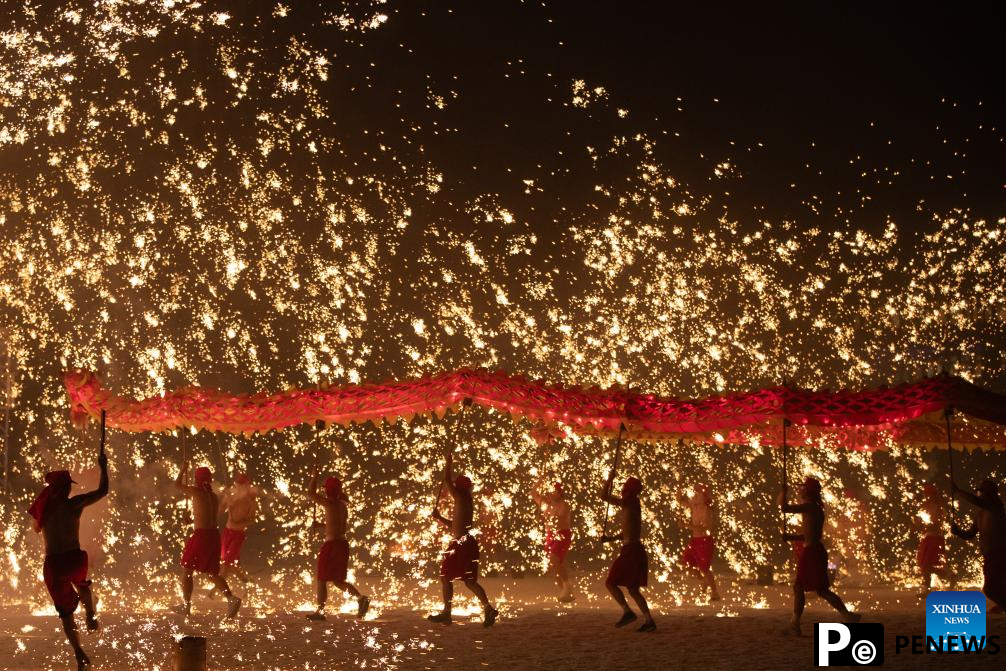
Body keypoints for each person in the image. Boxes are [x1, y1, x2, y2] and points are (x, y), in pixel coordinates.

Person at [28, 455, 108, 671]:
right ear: (65, 488)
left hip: (54, 564)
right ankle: (90, 613)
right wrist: (104, 467)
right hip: (73, 559)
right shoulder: (75, 504)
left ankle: (78, 651)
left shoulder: (43, 510)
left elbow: (36, 527)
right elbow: (102, 492)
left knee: (65, 613)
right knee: (82, 585)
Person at [779, 478, 860, 635]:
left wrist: (783, 491)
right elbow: (809, 534)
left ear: (808, 492)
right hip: (814, 551)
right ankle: (847, 615)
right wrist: (791, 537)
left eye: (803, 488)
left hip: (813, 553)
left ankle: (795, 623)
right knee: (817, 589)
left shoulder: (810, 507)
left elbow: (784, 508)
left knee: (804, 587)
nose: (800, 490)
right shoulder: (813, 508)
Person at [428, 446, 498, 626]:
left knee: (445, 576)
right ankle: (488, 608)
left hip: (461, 544)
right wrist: (440, 518)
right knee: (469, 581)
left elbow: (446, 480)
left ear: (459, 487)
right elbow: (455, 525)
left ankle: (446, 612)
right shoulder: (465, 500)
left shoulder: (460, 496)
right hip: (468, 543)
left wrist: (449, 462)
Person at [175, 464, 241, 618]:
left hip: (201, 536)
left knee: (187, 569)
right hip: (213, 536)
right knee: (211, 573)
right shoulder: (213, 497)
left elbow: (177, 485)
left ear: (197, 479)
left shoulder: (196, 492)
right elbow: (206, 517)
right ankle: (231, 598)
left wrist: (182, 470)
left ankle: (186, 605)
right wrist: (189, 520)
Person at [305, 474, 370, 620]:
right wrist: (321, 525)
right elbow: (336, 526)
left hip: (332, 545)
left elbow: (310, 494)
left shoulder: (329, 503)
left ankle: (320, 612)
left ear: (328, 490)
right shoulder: (342, 506)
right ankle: (360, 598)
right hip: (342, 545)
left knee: (321, 579)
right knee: (338, 581)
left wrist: (313, 478)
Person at [601, 472, 656, 632]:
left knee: (610, 583)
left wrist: (610, 478)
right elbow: (628, 532)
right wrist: (610, 538)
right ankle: (649, 620)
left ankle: (627, 611)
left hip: (631, 551)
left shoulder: (630, 503)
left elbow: (603, 496)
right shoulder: (632, 504)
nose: (622, 488)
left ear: (629, 490)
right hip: (634, 549)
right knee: (632, 589)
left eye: (625, 485)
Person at [951, 478, 1006, 612]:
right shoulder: (980, 514)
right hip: (989, 555)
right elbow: (970, 535)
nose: (981, 495)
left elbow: (977, 501)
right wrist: (958, 532)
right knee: (997, 586)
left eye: (984, 492)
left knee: (990, 588)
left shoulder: (996, 506)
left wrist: (957, 492)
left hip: (1001, 553)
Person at [532, 480, 575, 602]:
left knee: (554, 560)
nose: (551, 493)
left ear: (560, 493)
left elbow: (560, 519)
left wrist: (544, 518)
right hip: (550, 535)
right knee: (552, 566)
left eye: (554, 491)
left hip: (562, 535)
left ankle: (567, 587)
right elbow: (533, 493)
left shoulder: (564, 505)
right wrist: (539, 481)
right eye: (550, 490)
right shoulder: (545, 502)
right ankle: (565, 590)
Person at [677, 483, 721, 601]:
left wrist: (686, 525)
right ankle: (705, 582)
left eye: (698, 493)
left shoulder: (706, 510)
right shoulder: (694, 506)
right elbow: (680, 501)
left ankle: (715, 593)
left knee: (705, 568)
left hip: (705, 541)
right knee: (687, 563)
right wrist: (678, 491)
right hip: (695, 540)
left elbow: (703, 529)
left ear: (705, 497)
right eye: (695, 492)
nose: (695, 495)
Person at [219, 473, 259, 584]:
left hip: (238, 534)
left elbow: (252, 520)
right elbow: (220, 511)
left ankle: (219, 588)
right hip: (227, 532)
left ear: (247, 486)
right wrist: (225, 499)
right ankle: (245, 580)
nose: (238, 486)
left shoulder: (251, 502)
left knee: (227, 563)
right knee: (228, 562)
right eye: (238, 484)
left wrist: (240, 522)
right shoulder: (232, 497)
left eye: (242, 484)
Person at [916, 483, 951, 596]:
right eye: (925, 493)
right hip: (928, 537)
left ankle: (946, 575)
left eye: (928, 493)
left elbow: (937, 523)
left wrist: (926, 525)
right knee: (924, 564)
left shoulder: (937, 506)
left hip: (934, 538)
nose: (926, 495)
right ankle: (946, 576)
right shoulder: (926, 505)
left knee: (926, 564)